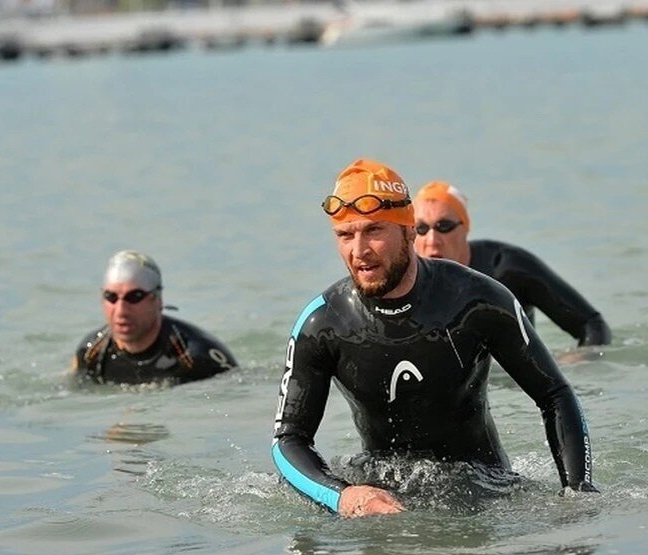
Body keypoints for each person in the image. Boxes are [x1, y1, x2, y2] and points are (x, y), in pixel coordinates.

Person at [271, 158, 598, 519]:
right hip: (382, 497)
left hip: (486, 492)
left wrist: (578, 494)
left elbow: (554, 395)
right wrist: (342, 496)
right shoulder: (323, 322)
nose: (359, 250)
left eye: (374, 231)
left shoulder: (478, 300)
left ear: (409, 230)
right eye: (345, 235)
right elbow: (289, 441)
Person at [413, 181, 611, 347]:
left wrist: (582, 366)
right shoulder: (400, 278)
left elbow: (592, 325)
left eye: (444, 226)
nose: (432, 240)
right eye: (421, 228)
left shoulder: (508, 268)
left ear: (465, 228)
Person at [72, 250, 237, 386]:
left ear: (158, 299)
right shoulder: (91, 353)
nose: (121, 310)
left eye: (135, 296)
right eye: (111, 297)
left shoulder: (198, 358)